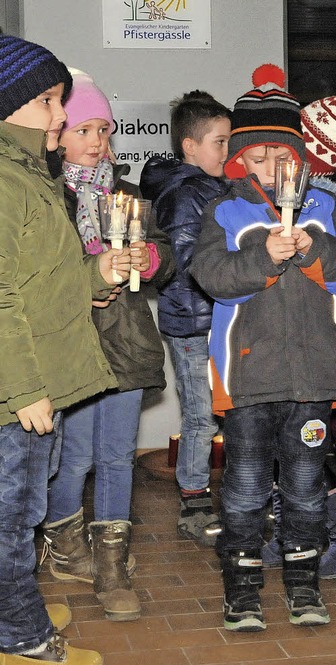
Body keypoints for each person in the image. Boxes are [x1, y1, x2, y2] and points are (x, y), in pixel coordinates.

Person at [190, 64, 336, 631]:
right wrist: (264, 258)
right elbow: (212, 276)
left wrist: (310, 251)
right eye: (258, 156)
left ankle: (303, 585)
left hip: (314, 378)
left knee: (305, 488)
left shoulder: (329, 210)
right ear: (240, 159)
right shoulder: (225, 212)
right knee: (243, 489)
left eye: (283, 155)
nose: (272, 168)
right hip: (247, 381)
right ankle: (241, 591)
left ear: (302, 156)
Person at [0, 34, 128, 665]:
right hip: (16, 394)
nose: (60, 116)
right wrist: (22, 389)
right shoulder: (3, 181)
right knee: (11, 513)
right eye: (50, 101)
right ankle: (19, 635)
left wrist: (97, 269)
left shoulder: (26, 175)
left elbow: (44, 279)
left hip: (33, 384)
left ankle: (8, 604)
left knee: (21, 507)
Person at [41, 71, 175, 622]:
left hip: (123, 341)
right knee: (72, 457)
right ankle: (67, 547)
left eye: (104, 129)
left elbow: (162, 250)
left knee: (117, 454)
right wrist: (82, 279)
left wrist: (152, 260)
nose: (96, 141)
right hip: (73, 343)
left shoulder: (126, 193)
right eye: (85, 128)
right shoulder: (47, 194)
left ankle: (114, 563)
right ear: (59, 133)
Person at [260, 94, 336, 580]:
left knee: (310, 449)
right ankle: (292, 535)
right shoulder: (278, 202)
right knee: (279, 446)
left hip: (315, 353)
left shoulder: (324, 210)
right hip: (275, 351)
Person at [140, 90, 231, 547]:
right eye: (218, 142)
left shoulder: (210, 188)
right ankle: (194, 500)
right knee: (200, 416)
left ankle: (238, 493)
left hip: (220, 318)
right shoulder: (184, 195)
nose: (226, 152)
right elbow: (187, 262)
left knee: (229, 411)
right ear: (190, 146)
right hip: (195, 321)